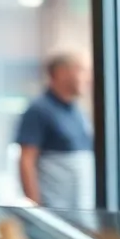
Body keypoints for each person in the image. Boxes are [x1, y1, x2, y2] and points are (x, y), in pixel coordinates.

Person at [16, 54, 94, 210]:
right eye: (81, 70)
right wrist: (36, 206)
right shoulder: (39, 109)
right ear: (61, 73)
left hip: (81, 209)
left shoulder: (79, 112)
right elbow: (26, 160)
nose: (88, 78)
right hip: (55, 209)